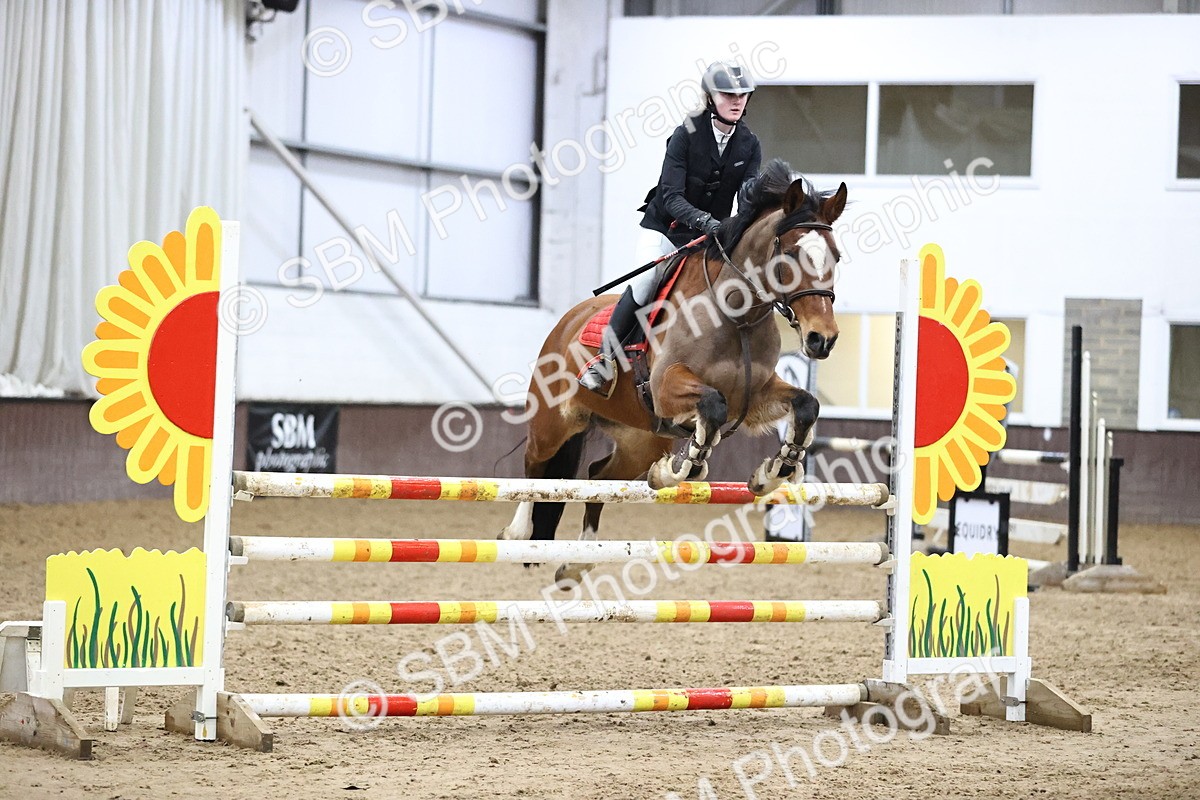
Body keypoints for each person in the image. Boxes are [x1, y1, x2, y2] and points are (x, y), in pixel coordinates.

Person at [579, 60, 762, 397]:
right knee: (646, 281)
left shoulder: (749, 144)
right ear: (710, 97)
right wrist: (706, 221)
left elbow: (747, 194)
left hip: (708, 238)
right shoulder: (685, 135)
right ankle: (604, 361)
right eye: (728, 94)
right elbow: (671, 196)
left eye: (742, 94)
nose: (737, 100)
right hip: (666, 227)